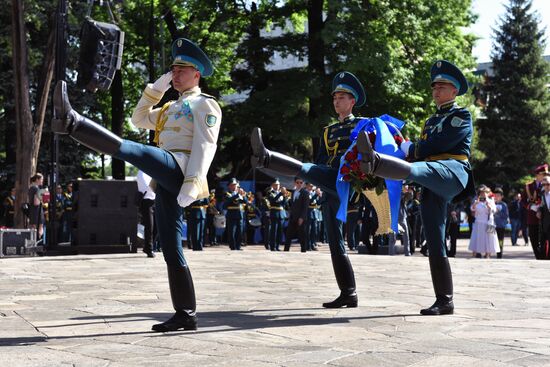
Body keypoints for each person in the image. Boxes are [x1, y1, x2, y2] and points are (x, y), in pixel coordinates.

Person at [52, 38, 221, 332]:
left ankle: (73, 122)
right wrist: (156, 90)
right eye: (173, 69)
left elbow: (206, 146)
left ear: (197, 74)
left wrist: (193, 184)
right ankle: (186, 313)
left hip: (180, 168)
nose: (176, 74)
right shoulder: (169, 107)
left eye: (182, 70)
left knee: (136, 151)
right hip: (166, 176)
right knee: (170, 246)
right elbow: (138, 118)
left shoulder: (205, 104)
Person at [356, 60, 475, 315]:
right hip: (430, 177)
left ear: (454, 91)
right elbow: (422, 153)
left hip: (452, 171)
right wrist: (402, 147)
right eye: (434, 87)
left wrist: (412, 149)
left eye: (442, 87)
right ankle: (445, 300)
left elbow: (442, 143)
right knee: (434, 239)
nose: (436, 91)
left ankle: (376, 163)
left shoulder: (461, 115)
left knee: (413, 170)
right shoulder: (430, 121)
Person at [251, 71, 366, 308]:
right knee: (335, 243)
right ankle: (349, 292)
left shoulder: (363, 126)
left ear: (353, 101)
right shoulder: (328, 131)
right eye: (335, 97)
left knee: (304, 169)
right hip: (329, 184)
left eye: (342, 97)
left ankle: (268, 157)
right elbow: (323, 161)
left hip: (347, 184)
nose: (337, 101)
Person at [523, 164, 548, 259]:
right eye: (543, 174)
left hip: (544, 217)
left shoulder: (547, 185)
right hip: (533, 217)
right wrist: (530, 206)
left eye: (546, 174)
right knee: (533, 239)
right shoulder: (529, 186)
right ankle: (538, 257)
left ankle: (543, 257)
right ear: (537, 175)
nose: (546, 176)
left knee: (544, 239)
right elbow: (523, 200)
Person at [468, 187, 499, 258]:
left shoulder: (491, 201)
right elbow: (472, 209)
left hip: (489, 222)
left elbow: (494, 210)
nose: (483, 194)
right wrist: (475, 204)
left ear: (488, 193)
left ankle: (488, 254)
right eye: (482, 193)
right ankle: (475, 252)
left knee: (490, 238)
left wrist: (489, 206)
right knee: (477, 237)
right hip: (479, 222)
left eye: (485, 192)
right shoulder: (477, 201)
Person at [284, 177, 309, 252]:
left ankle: (303, 250)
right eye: (297, 182)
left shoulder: (305, 193)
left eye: (301, 183)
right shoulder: (293, 192)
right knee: (288, 234)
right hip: (292, 217)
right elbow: (292, 205)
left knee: (302, 234)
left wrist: (302, 217)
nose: (299, 184)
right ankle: (286, 250)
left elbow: (305, 207)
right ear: (295, 183)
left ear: (303, 184)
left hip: (301, 217)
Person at [136, 170, 156, 257]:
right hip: (146, 202)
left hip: (154, 201)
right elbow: (147, 187)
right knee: (149, 226)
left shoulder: (150, 173)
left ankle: (148, 246)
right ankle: (149, 248)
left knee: (157, 226)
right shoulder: (141, 173)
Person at [224, 178, 245, 251]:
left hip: (239, 214)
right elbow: (228, 202)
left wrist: (243, 195)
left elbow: (245, 202)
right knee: (232, 231)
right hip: (231, 214)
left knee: (240, 231)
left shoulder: (239, 193)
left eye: (235, 185)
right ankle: (232, 246)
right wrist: (237, 195)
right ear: (229, 186)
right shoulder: (227, 194)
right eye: (232, 185)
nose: (234, 186)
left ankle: (238, 246)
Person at [266, 178, 287, 251]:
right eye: (275, 185)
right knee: (273, 231)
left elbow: (284, 204)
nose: (277, 186)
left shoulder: (281, 193)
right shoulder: (270, 192)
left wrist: (285, 197)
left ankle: (277, 246)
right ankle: (273, 246)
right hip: (274, 213)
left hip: (281, 213)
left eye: (278, 185)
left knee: (280, 231)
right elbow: (273, 201)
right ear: (272, 185)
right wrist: (281, 193)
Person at [536, 175, 550, 259]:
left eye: (548, 184)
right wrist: (539, 211)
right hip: (546, 221)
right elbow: (541, 206)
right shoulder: (542, 195)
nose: (546, 186)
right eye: (544, 184)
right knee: (545, 240)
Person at [493, 188, 509, 258]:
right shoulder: (492, 203)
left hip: (501, 226)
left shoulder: (504, 205)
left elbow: (506, 215)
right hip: (493, 225)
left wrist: (498, 212)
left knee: (500, 240)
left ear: (502, 196)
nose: (496, 197)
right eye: (495, 195)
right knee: (492, 239)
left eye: (498, 195)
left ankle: (499, 253)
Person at [28, 173, 45, 239]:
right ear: (37, 179)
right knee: (39, 231)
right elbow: (36, 203)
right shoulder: (36, 189)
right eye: (41, 179)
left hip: (33, 211)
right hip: (37, 212)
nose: (42, 181)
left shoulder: (31, 188)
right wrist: (42, 196)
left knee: (33, 231)